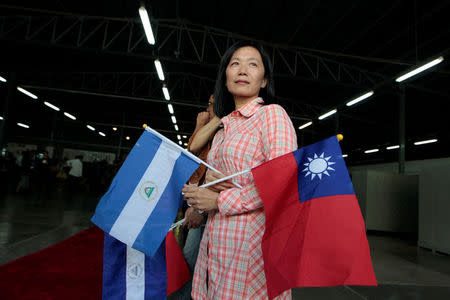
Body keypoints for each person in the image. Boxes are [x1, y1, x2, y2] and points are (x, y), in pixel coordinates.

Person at [182, 41, 297, 299]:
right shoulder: (223, 129)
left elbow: (283, 183)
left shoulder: (272, 116)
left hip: (250, 250)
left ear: (264, 81)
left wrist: (220, 199)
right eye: (235, 64)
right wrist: (202, 202)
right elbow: (222, 180)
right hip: (216, 246)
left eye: (252, 64)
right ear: (225, 78)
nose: (242, 70)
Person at [174, 94, 222, 300]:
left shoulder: (223, 128)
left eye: (211, 105)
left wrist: (200, 210)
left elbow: (194, 151)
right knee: (191, 258)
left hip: (213, 207)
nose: (207, 109)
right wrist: (199, 125)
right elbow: (191, 154)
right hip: (198, 203)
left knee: (194, 259)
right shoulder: (209, 129)